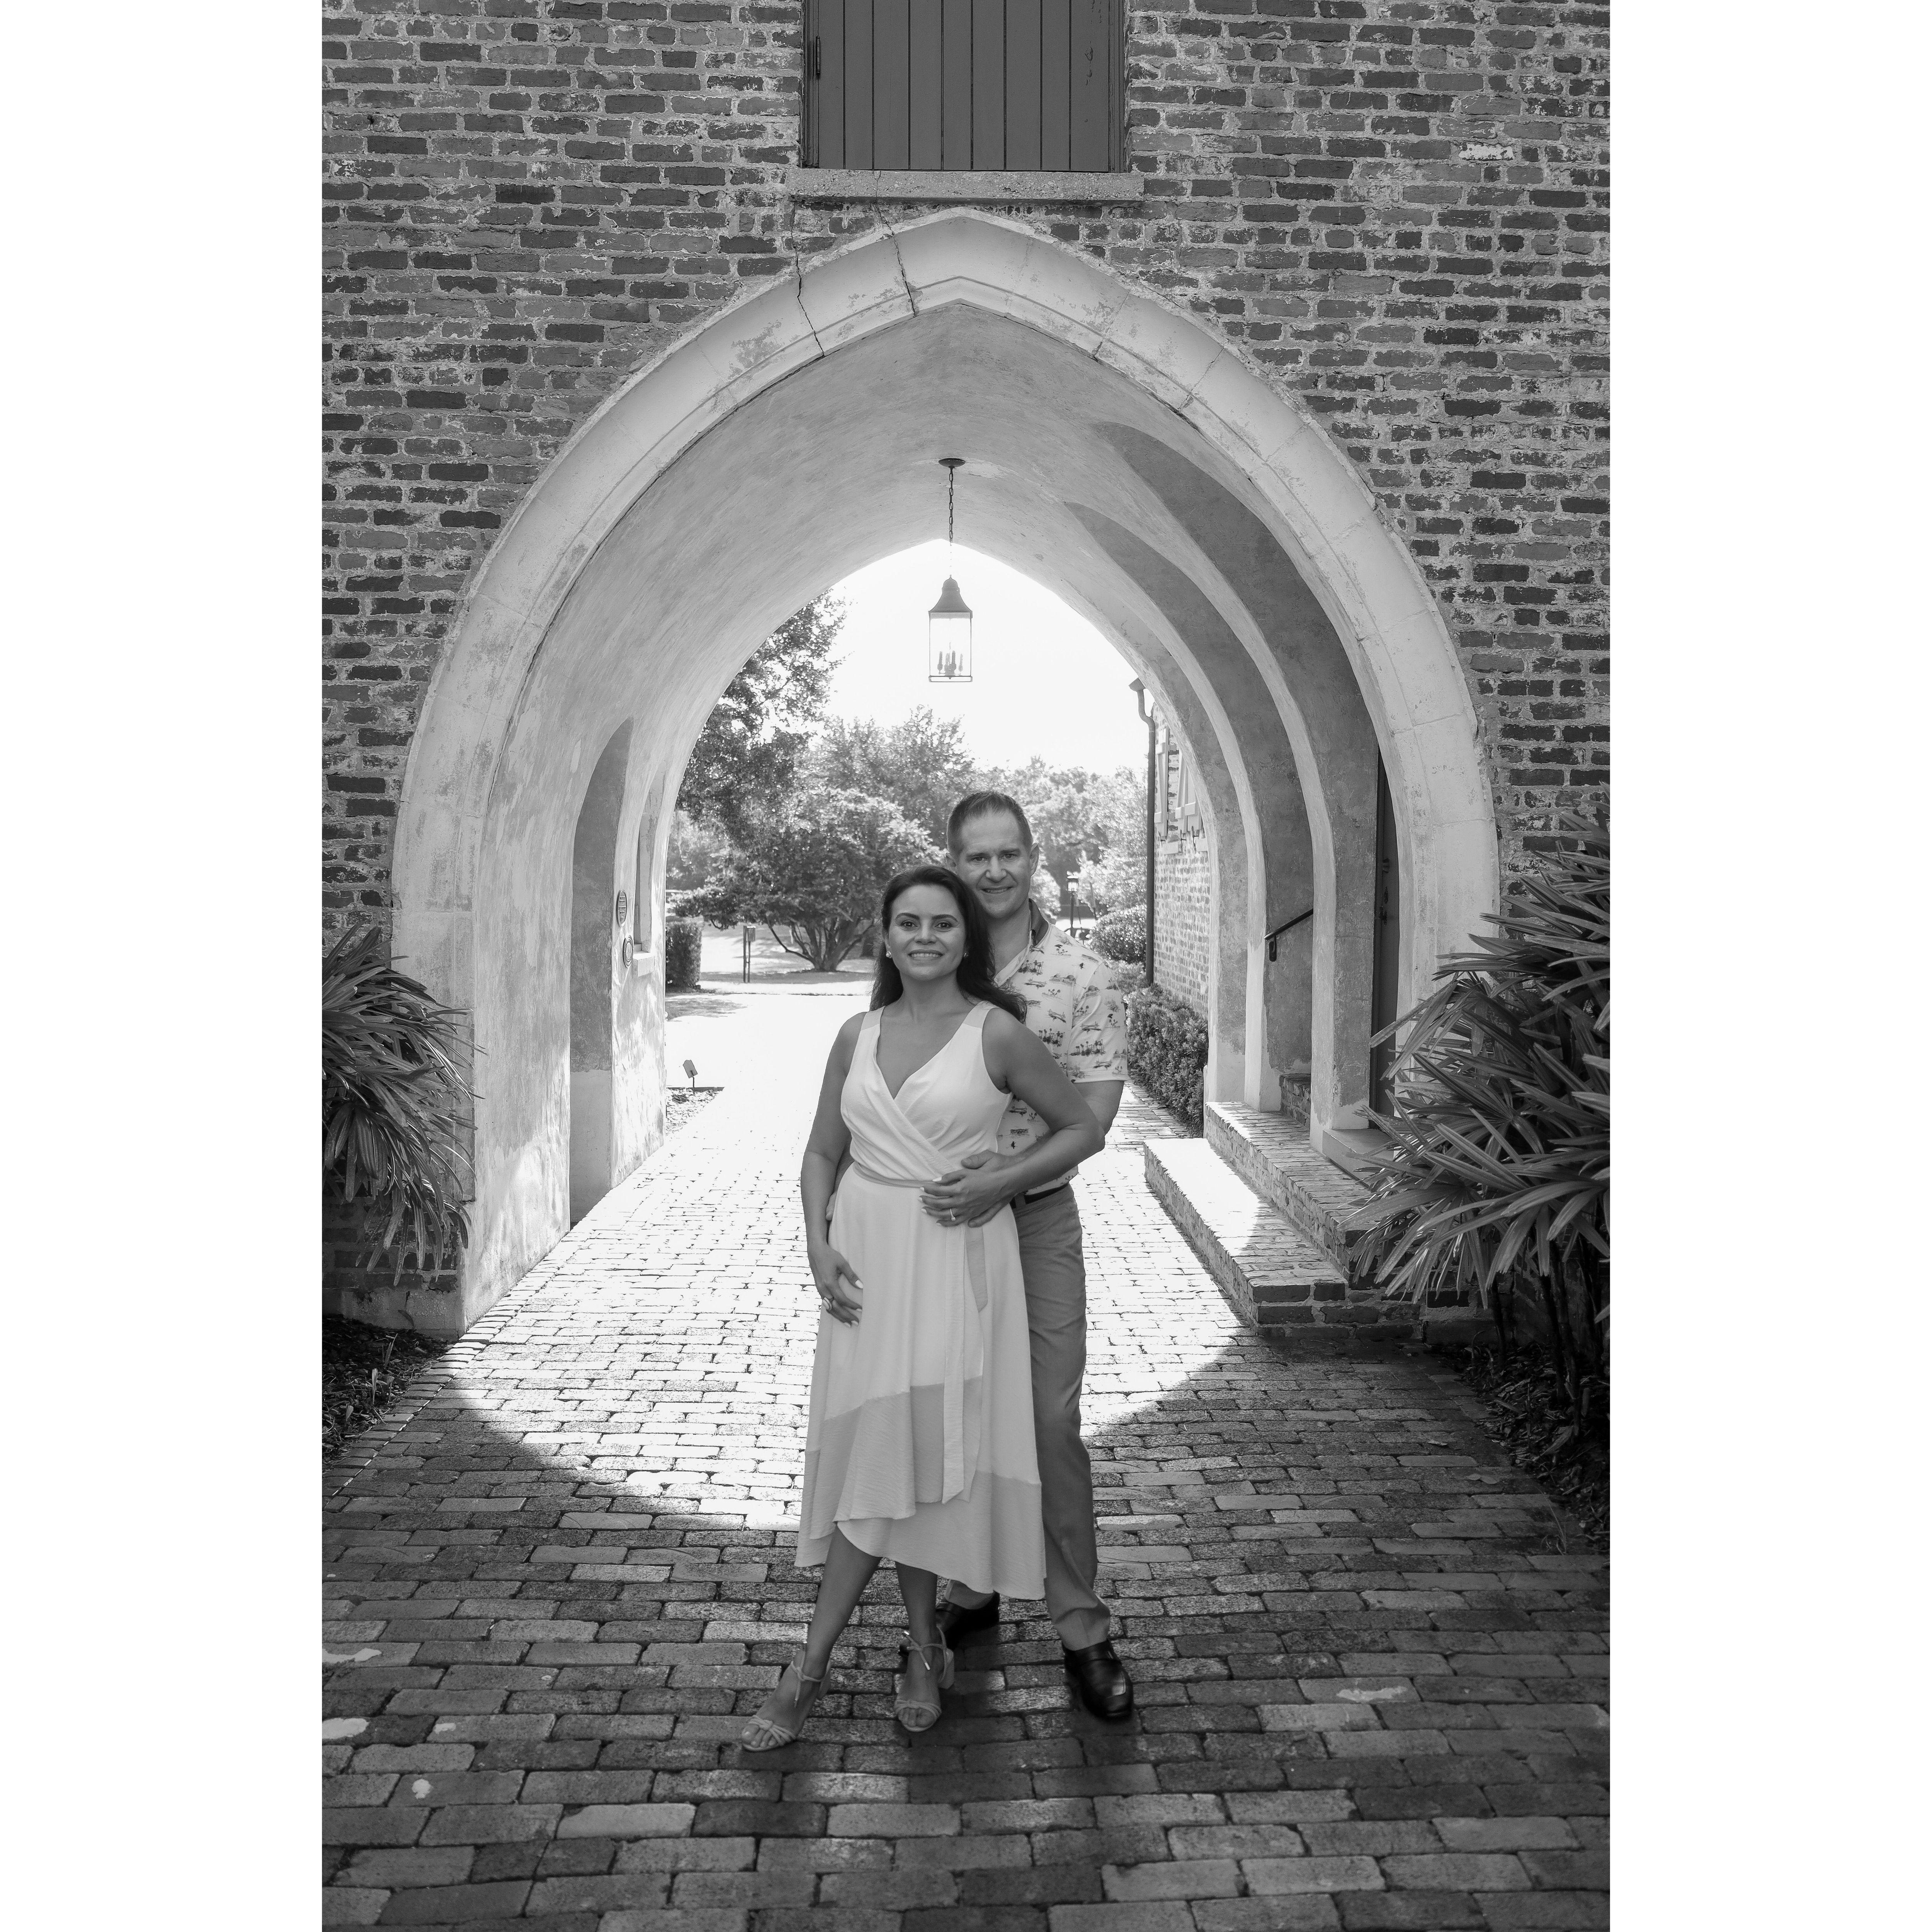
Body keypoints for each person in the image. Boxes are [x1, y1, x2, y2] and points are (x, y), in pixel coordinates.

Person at [742, 864, 1105, 1750]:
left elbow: (1081, 1126)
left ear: (965, 937)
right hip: (868, 1267)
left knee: (907, 1455)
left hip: (954, 1262)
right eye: (909, 922)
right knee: (897, 1453)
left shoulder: (997, 1032)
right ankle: (920, 1647)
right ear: (885, 933)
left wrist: (1003, 1179)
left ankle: (809, 1668)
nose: (925, 937)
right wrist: (817, 1242)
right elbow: (821, 1151)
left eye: (943, 923)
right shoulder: (855, 1033)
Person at [922, 791, 1136, 1720]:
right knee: (958, 1411)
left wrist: (1002, 1181)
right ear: (954, 862)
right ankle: (971, 1587)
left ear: (1034, 857)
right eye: (978, 856)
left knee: (1049, 1418)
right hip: (941, 1228)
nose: (995, 870)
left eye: (1010, 852)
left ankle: (1082, 1626)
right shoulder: (931, 956)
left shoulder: (1083, 973)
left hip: (1037, 1220)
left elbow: (1092, 1118)